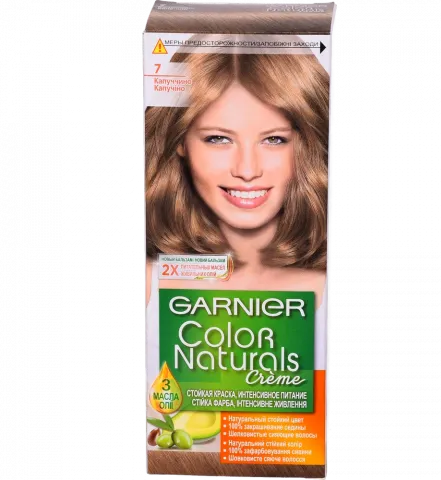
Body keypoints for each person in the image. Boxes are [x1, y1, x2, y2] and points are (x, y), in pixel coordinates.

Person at [144, 39, 330, 447]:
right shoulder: (151, 284)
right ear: (179, 140)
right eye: (218, 139)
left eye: (274, 139)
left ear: (309, 142)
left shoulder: (323, 287)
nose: (247, 169)